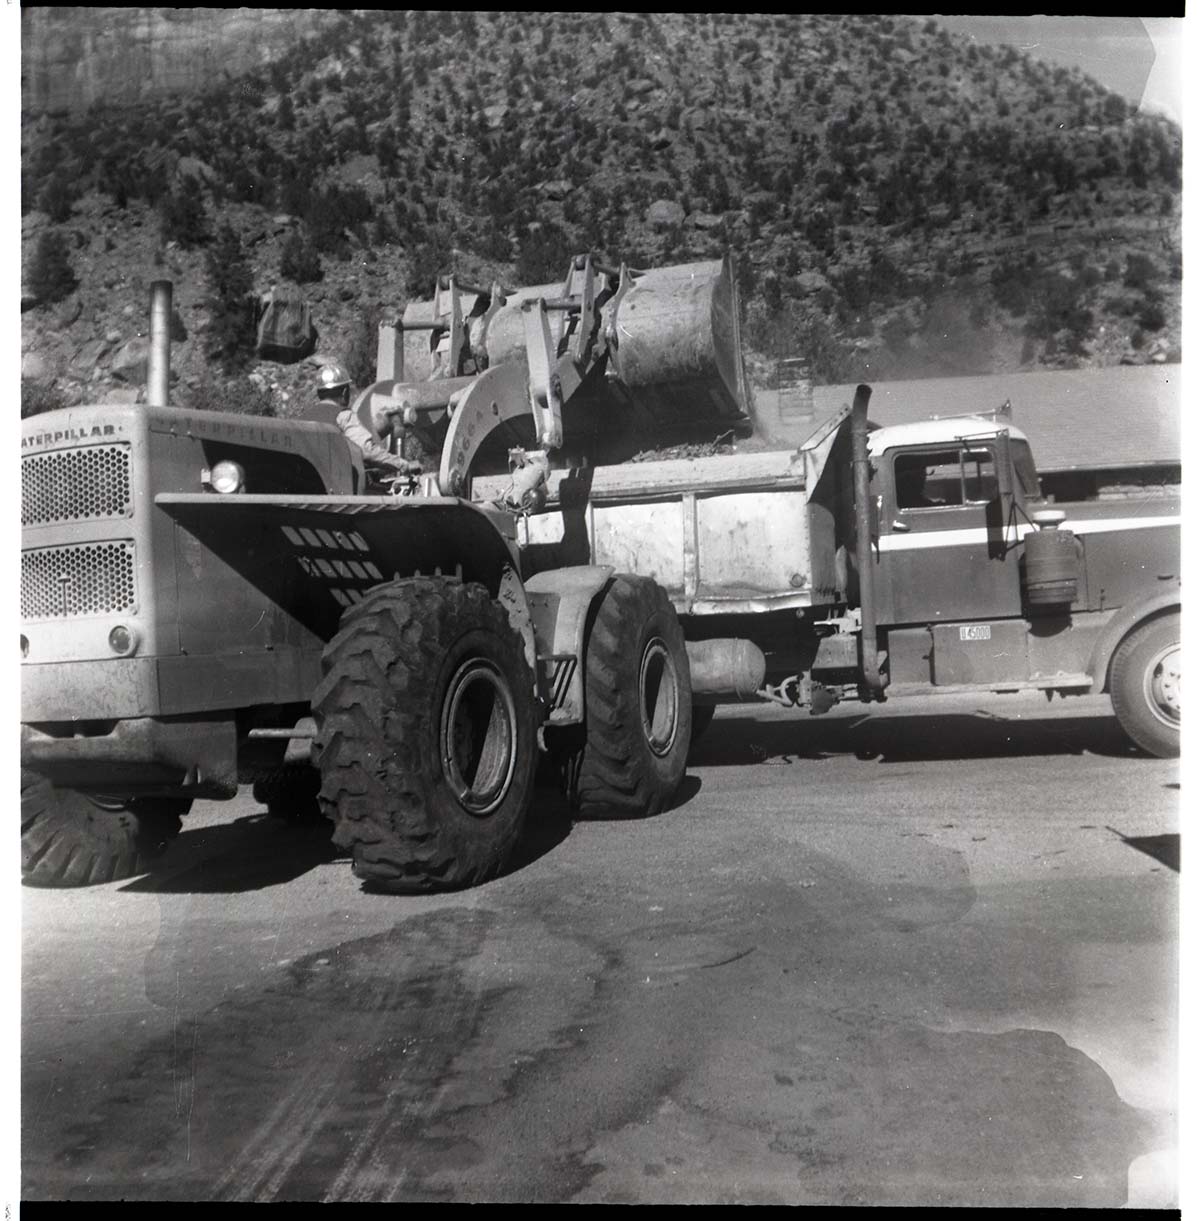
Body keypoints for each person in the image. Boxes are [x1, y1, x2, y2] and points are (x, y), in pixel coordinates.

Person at [315, 362, 422, 484]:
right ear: (345, 392)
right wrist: (403, 464)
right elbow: (366, 451)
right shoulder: (344, 416)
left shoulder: (301, 419)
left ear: (319, 393)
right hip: (339, 488)